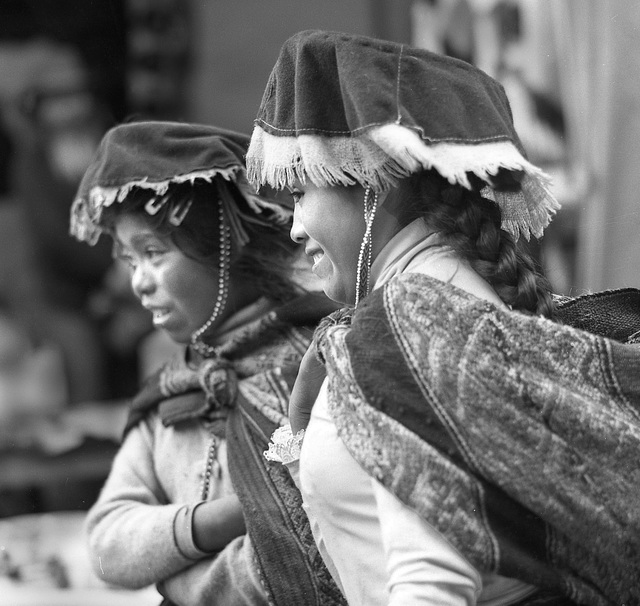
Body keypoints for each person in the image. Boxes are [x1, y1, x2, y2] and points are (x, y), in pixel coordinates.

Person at [254, 31, 640, 606]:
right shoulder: (469, 309)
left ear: (372, 184)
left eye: (301, 194)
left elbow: (431, 587)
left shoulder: (413, 326)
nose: (294, 227)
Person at [71, 121, 343, 606]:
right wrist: (223, 519)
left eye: (154, 253)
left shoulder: (318, 369)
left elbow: (313, 566)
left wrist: (179, 581)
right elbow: (107, 543)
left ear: (224, 247)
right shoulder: (174, 393)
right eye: (131, 261)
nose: (139, 282)